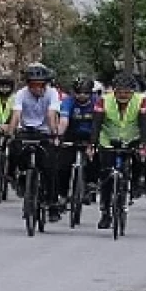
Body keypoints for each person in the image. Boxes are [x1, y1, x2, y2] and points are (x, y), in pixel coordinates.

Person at [4, 63, 63, 221]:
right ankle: (18, 179)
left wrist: (54, 134)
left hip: (44, 132)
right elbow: (16, 115)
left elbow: (51, 115)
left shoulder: (53, 94)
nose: (36, 88)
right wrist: (10, 133)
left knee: (51, 168)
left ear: (45, 84)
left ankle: (52, 204)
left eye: (40, 85)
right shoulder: (21, 94)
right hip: (25, 131)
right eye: (33, 85)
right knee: (14, 151)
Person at [93, 73, 146, 229]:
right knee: (106, 176)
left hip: (133, 138)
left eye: (127, 92)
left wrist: (143, 144)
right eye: (120, 92)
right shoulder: (104, 100)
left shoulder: (142, 100)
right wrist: (92, 144)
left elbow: (144, 125)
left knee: (140, 160)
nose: (123, 96)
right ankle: (105, 211)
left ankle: (136, 184)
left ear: (133, 91)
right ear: (114, 91)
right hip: (108, 140)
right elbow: (97, 125)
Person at [55, 77, 100, 212]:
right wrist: (59, 137)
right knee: (63, 166)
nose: (82, 95)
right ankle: (62, 195)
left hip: (91, 135)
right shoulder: (68, 102)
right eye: (79, 92)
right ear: (74, 92)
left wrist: (93, 143)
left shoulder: (97, 102)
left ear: (91, 93)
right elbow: (63, 121)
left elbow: (99, 123)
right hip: (71, 134)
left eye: (86, 93)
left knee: (96, 156)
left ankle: (91, 183)